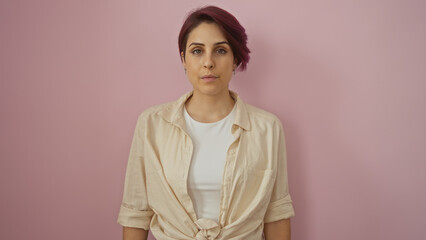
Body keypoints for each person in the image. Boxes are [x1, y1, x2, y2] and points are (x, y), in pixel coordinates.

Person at [117, 5, 295, 240]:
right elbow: (135, 213)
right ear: (183, 59)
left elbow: (276, 214)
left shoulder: (268, 128)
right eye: (197, 51)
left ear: (235, 59)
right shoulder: (152, 125)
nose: (208, 62)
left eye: (220, 51)